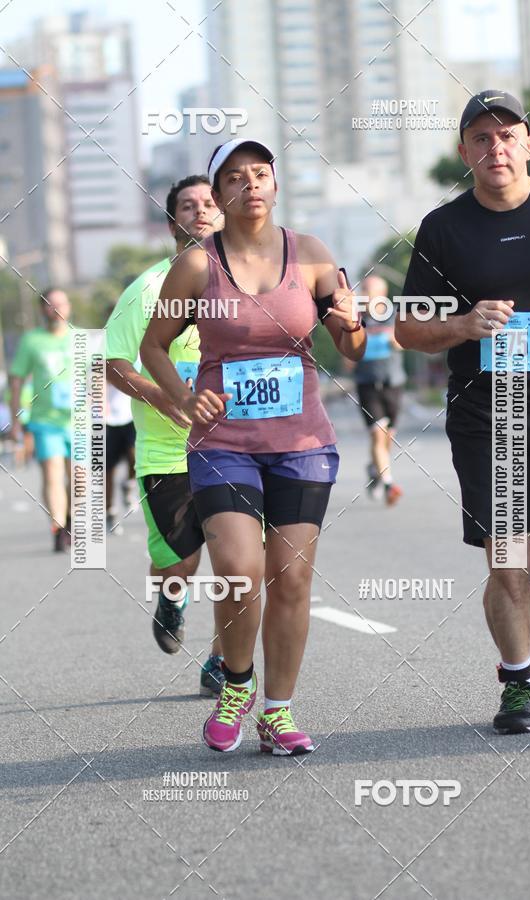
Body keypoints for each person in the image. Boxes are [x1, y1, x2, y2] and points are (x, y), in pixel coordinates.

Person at [140, 137, 366, 755]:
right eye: (236, 177)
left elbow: (352, 346)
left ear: (275, 181)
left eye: (261, 173)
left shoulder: (312, 254)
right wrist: (183, 400)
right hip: (224, 443)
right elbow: (153, 346)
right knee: (240, 572)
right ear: (220, 194)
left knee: (291, 578)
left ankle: (278, 712)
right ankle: (237, 685)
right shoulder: (197, 267)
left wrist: (350, 322)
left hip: (302, 441)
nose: (251, 185)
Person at [397, 90, 530, 734]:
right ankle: (518, 682)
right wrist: (462, 324)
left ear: (529, 144)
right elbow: (407, 328)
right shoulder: (443, 228)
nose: (496, 148)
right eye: (481, 138)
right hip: (490, 415)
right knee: (508, 557)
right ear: (465, 153)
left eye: (508, 135)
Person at [106, 175, 225, 696]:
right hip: (167, 450)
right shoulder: (150, 288)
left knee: (239, 560)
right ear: (172, 221)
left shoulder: (248, 281)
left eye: (209, 203)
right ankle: (172, 595)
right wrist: (167, 397)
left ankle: (225, 660)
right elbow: (111, 363)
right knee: (181, 561)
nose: (200, 211)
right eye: (188, 205)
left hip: (237, 448)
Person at [9, 289, 72, 552]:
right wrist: (15, 420)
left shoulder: (82, 338)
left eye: (60, 304)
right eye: (49, 305)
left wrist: (100, 407)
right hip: (46, 421)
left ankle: (69, 518)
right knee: (53, 475)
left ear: (68, 307)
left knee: (80, 481)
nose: (55, 309)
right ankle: (59, 529)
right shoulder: (31, 341)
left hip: (79, 421)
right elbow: (16, 380)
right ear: (42, 309)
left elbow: (98, 373)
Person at [353, 274, 404, 504]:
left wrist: (397, 341)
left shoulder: (393, 315)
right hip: (366, 383)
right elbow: (347, 355)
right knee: (378, 433)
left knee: (388, 436)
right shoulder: (356, 318)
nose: (366, 295)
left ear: (382, 294)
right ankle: (388, 483)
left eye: (370, 291)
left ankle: (376, 470)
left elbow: (406, 341)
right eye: (364, 290)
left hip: (393, 382)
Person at [105, 381, 136, 536]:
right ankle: (110, 511)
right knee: (107, 470)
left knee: (134, 456)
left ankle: (129, 484)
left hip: (129, 416)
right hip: (106, 420)